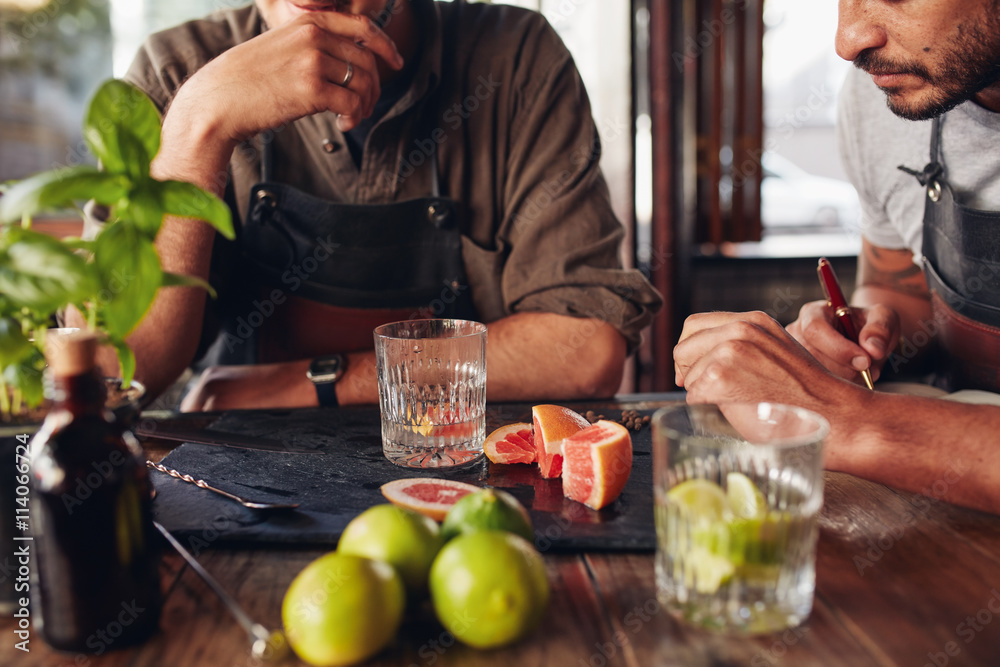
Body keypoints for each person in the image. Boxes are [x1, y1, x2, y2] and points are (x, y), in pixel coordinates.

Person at [75, 0, 661, 411]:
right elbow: (112, 374)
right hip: (237, 487)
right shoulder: (175, 74)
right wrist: (197, 132)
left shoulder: (516, 62)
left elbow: (586, 349)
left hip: (467, 473)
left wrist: (311, 384)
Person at [674, 0, 1000, 514]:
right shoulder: (889, 97)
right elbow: (898, 286)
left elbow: (851, 422)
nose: (847, 41)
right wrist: (858, 341)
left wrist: (847, 419)